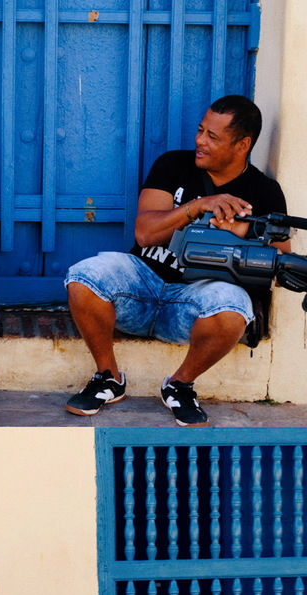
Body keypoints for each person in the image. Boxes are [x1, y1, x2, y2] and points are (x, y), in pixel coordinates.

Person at [64, 95, 290, 426]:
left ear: (242, 145)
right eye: (201, 130)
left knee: (235, 308)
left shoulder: (264, 191)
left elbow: (281, 260)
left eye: (212, 137)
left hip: (196, 305)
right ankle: (108, 378)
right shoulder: (173, 165)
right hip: (141, 285)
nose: (200, 140)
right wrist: (197, 207)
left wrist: (241, 231)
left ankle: (180, 385)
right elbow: (144, 232)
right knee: (84, 276)